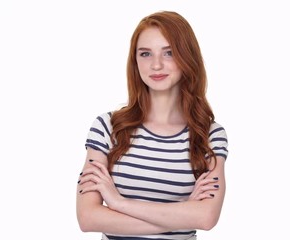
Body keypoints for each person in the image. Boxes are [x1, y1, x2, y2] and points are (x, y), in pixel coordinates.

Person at [76, 10, 229, 240]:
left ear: (187, 57)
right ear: (135, 61)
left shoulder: (209, 135)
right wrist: (183, 214)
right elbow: (88, 218)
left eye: (168, 53)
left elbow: (206, 217)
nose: (156, 65)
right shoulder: (108, 128)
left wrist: (118, 202)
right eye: (145, 54)